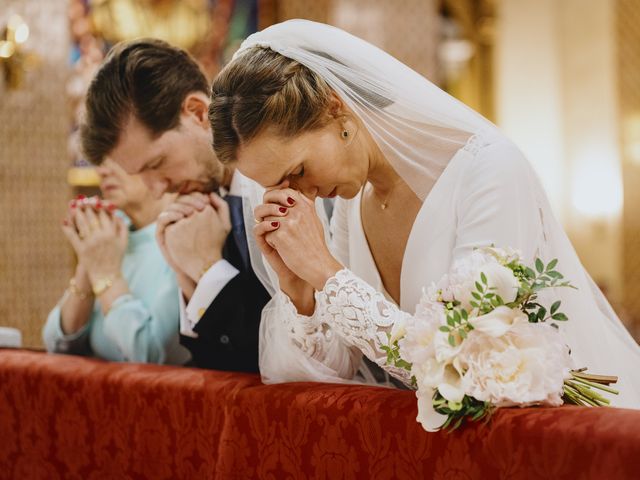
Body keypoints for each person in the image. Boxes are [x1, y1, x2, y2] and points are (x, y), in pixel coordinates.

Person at [208, 19, 640, 407]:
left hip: (562, 431)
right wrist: (300, 291)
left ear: (333, 106)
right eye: (281, 186)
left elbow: (465, 362)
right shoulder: (349, 206)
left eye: (297, 171)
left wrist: (326, 272)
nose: (301, 194)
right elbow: (337, 372)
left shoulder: (488, 170)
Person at [79, 38, 271, 372]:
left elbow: (283, 358)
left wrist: (209, 269)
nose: (157, 190)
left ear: (197, 113)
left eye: (157, 163)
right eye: (140, 174)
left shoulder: (280, 180)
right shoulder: (196, 215)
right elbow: (217, 363)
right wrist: (189, 275)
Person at [43, 160, 190, 364]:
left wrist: (106, 275)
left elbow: (150, 356)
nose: (102, 171)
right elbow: (57, 345)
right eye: (100, 160)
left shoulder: (183, 236)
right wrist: (88, 265)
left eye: (117, 157)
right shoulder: (112, 235)